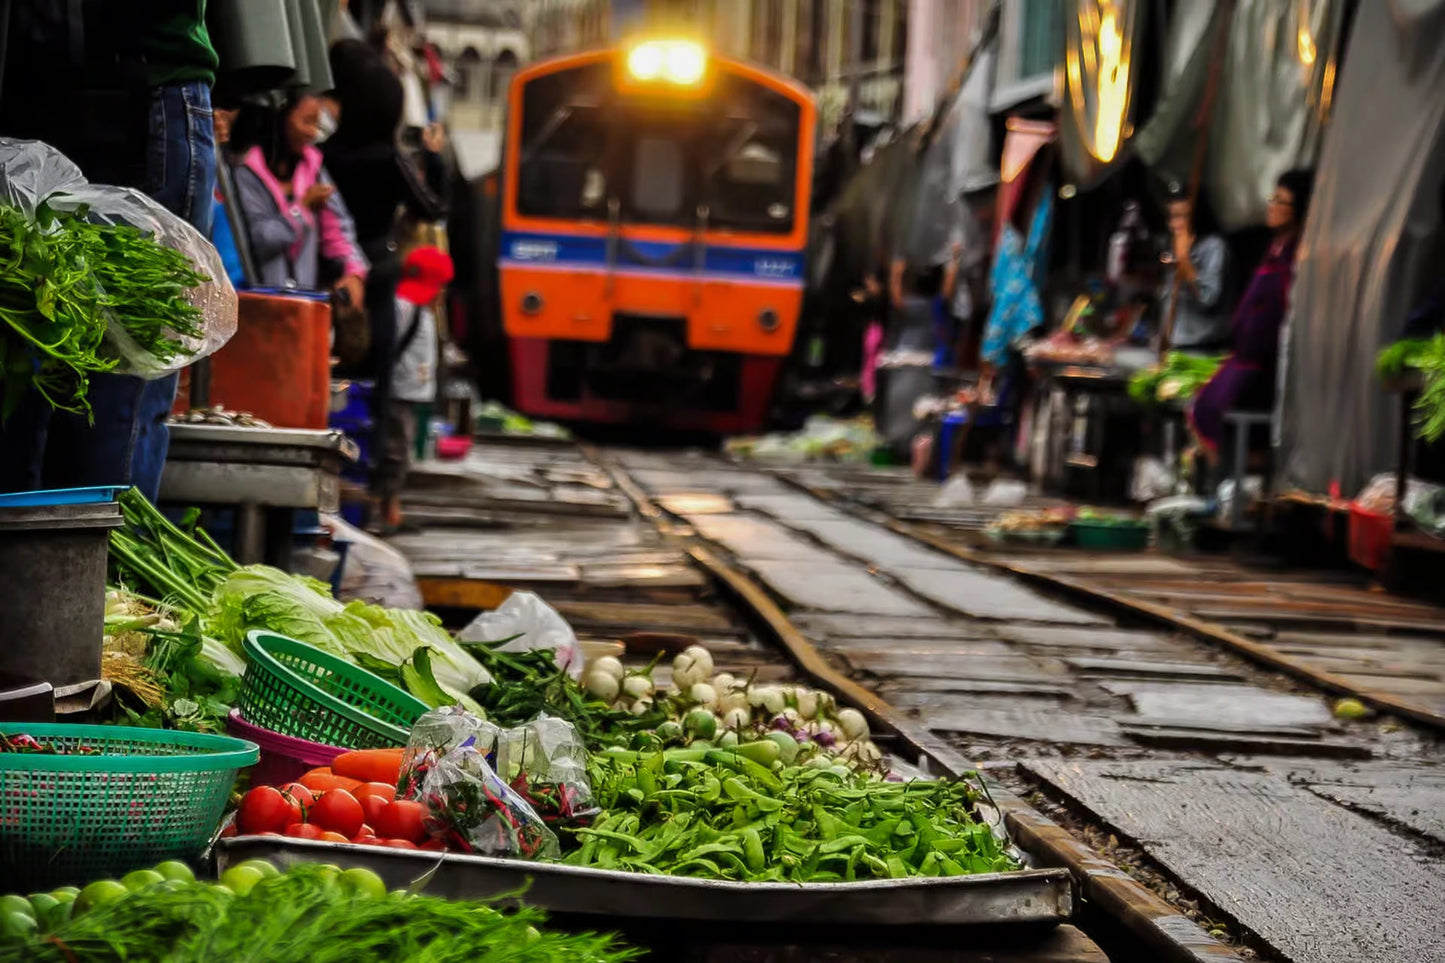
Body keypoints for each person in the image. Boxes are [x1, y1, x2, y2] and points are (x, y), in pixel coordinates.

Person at [0, 0, 218, 501]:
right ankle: (75, 570)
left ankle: (91, 570)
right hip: (73, 86)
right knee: (52, 362)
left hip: (126, 84)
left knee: (107, 371)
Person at [321, 39, 448, 524]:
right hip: (379, 277)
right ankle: (374, 492)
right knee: (379, 385)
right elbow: (432, 207)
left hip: (331, 275)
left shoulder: (327, 153)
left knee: (329, 378)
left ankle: (330, 485)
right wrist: (433, 161)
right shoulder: (390, 159)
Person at [1188, 168, 1315, 464]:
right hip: (1243, 358)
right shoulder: (1272, 250)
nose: (1272, 206)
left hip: (1263, 366)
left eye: (1281, 201)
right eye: (1274, 198)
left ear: (1297, 210)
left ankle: (1241, 486)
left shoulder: (1295, 257)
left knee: (1218, 411)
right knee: (1200, 407)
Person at [230, 94, 367, 301]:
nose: (312, 131)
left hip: (305, 303)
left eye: (316, 123)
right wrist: (301, 209)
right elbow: (258, 240)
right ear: (281, 118)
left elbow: (338, 228)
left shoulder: (314, 168)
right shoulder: (245, 172)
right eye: (306, 121)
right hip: (260, 304)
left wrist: (353, 271)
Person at [375, 246, 454, 532]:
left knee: (401, 449)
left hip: (408, 390)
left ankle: (389, 505)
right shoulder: (405, 307)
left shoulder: (418, 308)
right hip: (399, 390)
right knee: (395, 451)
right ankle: (386, 509)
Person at [1160, 186, 1234, 351]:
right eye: (1172, 217)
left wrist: (1185, 262)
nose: (1175, 224)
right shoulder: (1173, 247)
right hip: (1176, 344)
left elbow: (1208, 298)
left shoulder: (1214, 247)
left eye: (1182, 217)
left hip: (1203, 347)